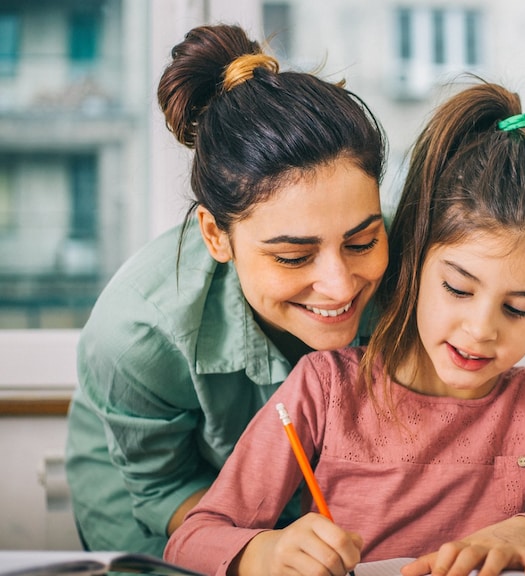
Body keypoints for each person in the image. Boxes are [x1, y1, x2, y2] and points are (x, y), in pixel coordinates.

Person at [165, 80, 525, 576]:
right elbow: (191, 539)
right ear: (413, 263)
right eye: (458, 289)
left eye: (520, 308)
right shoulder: (325, 389)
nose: (481, 330)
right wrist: (266, 553)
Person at [64, 24, 389, 556]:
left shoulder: (420, 271)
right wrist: (258, 551)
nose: (339, 285)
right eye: (293, 256)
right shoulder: (136, 333)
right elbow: (162, 487)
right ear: (217, 236)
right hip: (159, 498)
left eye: (362, 241)